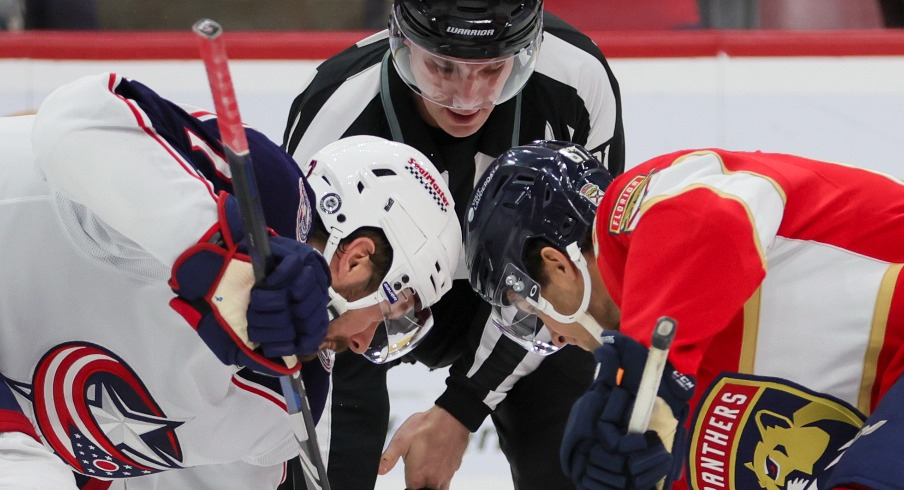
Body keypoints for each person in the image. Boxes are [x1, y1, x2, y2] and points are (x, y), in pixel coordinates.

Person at [0, 72, 460, 488]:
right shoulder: (265, 190)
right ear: (357, 260)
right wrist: (224, 260)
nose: (364, 343)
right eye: (389, 315)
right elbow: (73, 122)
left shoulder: (290, 409)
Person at [282, 1, 624, 488]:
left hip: (522, 289)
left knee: (571, 338)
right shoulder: (337, 109)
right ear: (401, 44)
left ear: (526, 53)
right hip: (376, 296)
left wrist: (460, 408)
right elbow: (303, 298)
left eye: (492, 68)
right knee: (334, 356)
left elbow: (590, 271)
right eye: (442, 66)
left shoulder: (576, 81)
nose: (467, 97)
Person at [465, 140, 904, 489]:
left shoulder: (642, 208)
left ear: (559, 264)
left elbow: (714, 220)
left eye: (530, 310)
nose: (554, 339)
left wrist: (640, 378)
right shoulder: (665, 406)